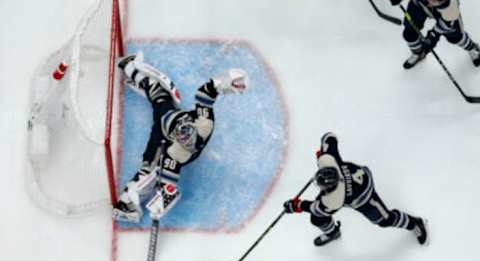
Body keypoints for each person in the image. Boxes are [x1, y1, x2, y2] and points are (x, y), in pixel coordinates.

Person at [112, 52, 249, 223]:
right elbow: (205, 94)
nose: (181, 131)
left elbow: (167, 182)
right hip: (167, 114)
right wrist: (223, 82)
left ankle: (126, 203)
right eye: (181, 130)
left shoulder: (176, 153)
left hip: (160, 135)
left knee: (149, 170)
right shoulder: (204, 123)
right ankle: (129, 66)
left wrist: (162, 201)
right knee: (157, 91)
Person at [283, 132, 428, 247]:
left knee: (385, 220)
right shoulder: (331, 161)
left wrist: (297, 206)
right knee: (317, 219)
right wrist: (323, 153)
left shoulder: (334, 200)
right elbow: (329, 137)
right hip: (359, 174)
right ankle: (333, 233)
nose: (320, 188)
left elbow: (316, 208)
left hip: (364, 198)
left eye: (322, 187)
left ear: (331, 187)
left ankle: (415, 222)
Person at [389, 0, 480, 69]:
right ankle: (418, 53)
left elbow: (445, 25)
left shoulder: (451, 8)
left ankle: (472, 48)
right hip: (419, 4)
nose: (431, 2)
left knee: (455, 36)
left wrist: (433, 36)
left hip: (446, 12)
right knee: (409, 32)